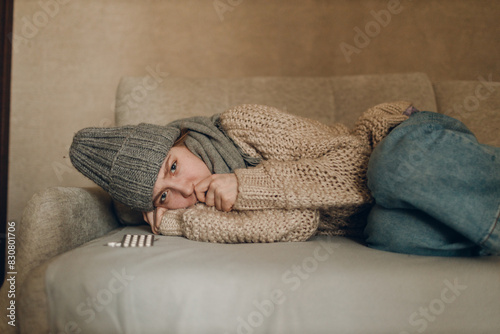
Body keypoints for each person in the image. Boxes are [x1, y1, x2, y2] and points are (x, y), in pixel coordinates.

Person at [69, 102, 500, 257]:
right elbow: (297, 224)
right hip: (387, 208)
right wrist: (183, 221)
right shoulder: (198, 213)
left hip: (400, 142)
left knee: (389, 170)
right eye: (163, 197)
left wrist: (247, 185)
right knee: (391, 231)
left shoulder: (241, 125)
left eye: (174, 167)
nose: (183, 190)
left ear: (183, 140)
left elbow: (354, 170)